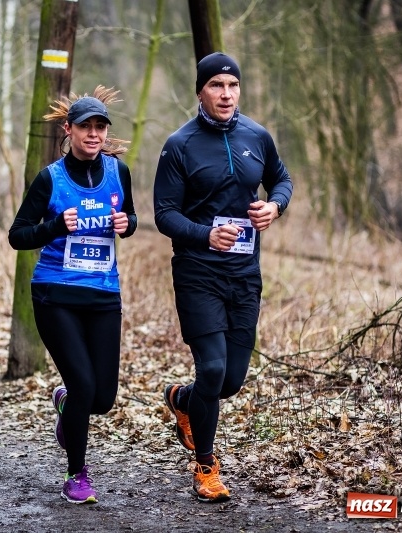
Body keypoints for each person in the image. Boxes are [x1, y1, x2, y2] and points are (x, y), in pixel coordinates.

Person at [153, 52, 293, 503]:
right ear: (200, 91)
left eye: (232, 86)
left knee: (229, 381)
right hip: (197, 272)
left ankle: (183, 400)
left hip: (245, 275)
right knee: (211, 368)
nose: (226, 94)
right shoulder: (180, 145)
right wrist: (205, 235)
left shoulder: (258, 136)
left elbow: (281, 181)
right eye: (216, 86)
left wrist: (275, 206)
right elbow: (164, 215)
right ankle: (207, 467)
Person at [8, 87, 137, 504]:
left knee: (101, 399)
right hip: (55, 293)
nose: (94, 134)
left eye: (100, 127)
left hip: (103, 294)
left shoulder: (119, 173)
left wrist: (126, 223)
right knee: (83, 383)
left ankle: (65, 404)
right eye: (86, 127)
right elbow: (17, 236)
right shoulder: (51, 178)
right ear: (69, 130)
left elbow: (131, 218)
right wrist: (55, 227)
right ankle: (76, 474)